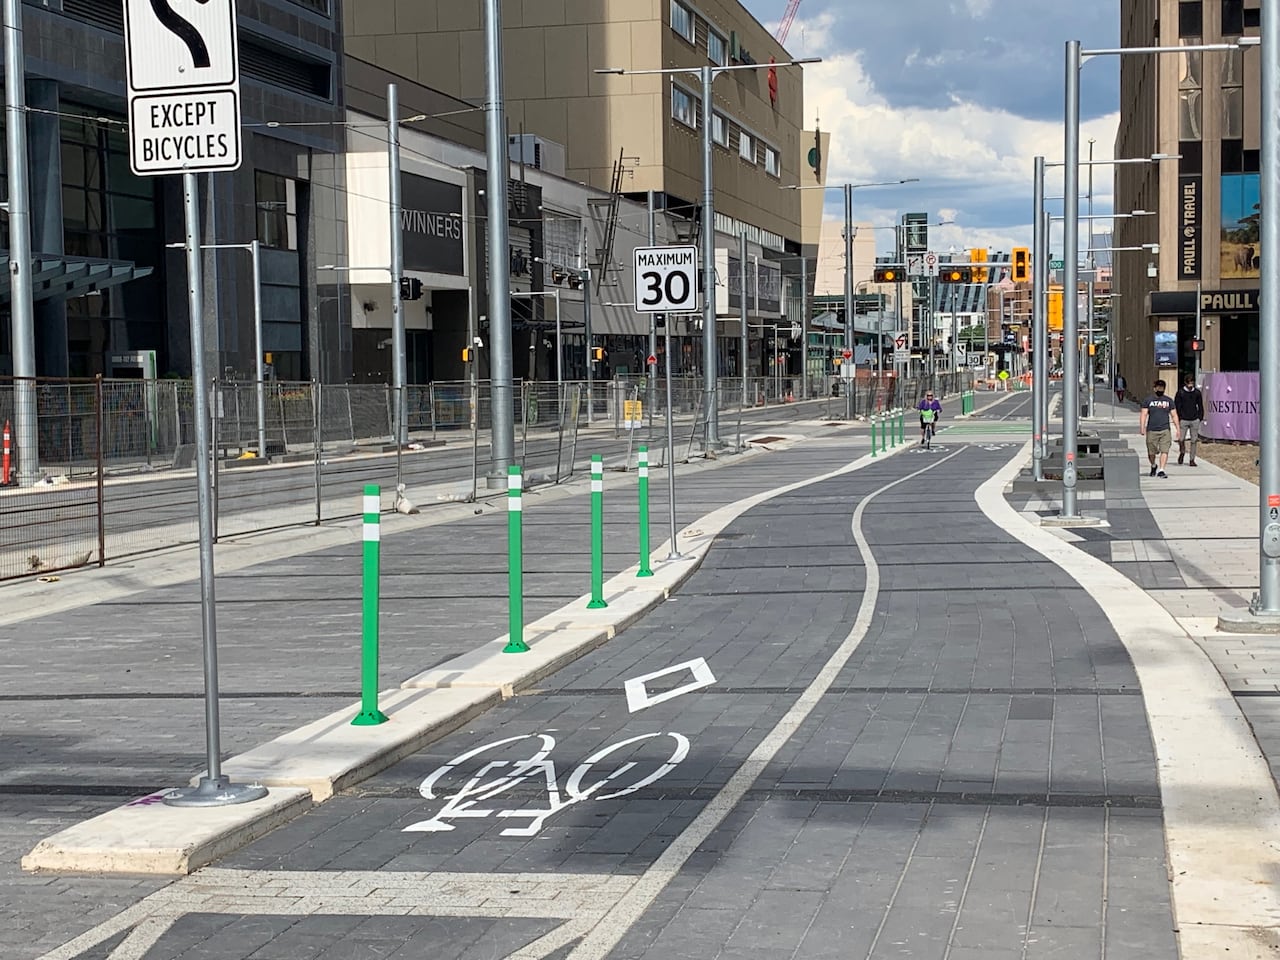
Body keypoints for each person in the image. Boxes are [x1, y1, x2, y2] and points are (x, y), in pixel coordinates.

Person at [1139, 379, 1180, 478]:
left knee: (1164, 450)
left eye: (1162, 387)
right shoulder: (1148, 400)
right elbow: (1143, 414)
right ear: (1154, 388)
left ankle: (1161, 470)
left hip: (1165, 429)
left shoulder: (1168, 401)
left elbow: (1174, 415)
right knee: (1151, 452)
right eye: (1158, 387)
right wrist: (1142, 427)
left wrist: (1178, 428)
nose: (1160, 389)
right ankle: (1153, 465)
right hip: (1152, 430)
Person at [1175, 374, 1204, 466]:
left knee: (1194, 440)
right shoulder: (1180, 393)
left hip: (1194, 419)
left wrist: (1200, 417)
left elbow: (1200, 406)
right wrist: (1179, 417)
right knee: (1181, 439)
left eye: (1192, 382)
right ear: (1185, 383)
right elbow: (1177, 406)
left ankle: (1192, 459)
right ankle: (1182, 451)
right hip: (1184, 419)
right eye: (1189, 383)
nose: (1190, 385)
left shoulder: (1197, 393)